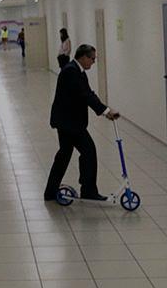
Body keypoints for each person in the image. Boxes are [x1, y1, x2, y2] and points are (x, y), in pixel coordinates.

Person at [44, 44, 120, 202]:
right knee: (88, 151)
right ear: (84, 57)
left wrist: (105, 110)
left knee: (64, 155)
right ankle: (88, 190)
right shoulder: (71, 71)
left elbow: (88, 93)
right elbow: (85, 95)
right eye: (92, 59)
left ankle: (51, 192)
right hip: (69, 123)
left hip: (68, 122)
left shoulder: (77, 71)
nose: (93, 62)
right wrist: (106, 111)